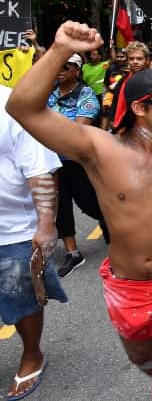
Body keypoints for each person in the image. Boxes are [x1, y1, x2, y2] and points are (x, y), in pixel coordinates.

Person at [6, 21, 152, 401]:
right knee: (149, 365)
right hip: (125, 289)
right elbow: (21, 106)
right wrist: (61, 48)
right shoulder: (99, 150)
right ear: (138, 107)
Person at [0, 84, 67, 401]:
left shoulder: (11, 104)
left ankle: (32, 355)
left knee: (21, 297)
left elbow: (40, 167)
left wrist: (45, 222)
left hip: (12, 230)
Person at [46, 53, 107, 277]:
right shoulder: (49, 92)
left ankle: (111, 220)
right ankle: (73, 253)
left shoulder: (87, 94)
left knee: (88, 202)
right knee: (60, 206)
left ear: (77, 70)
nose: (60, 69)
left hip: (77, 161)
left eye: (67, 66)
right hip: (52, 161)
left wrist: (47, 126)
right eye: (58, 66)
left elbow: (78, 130)